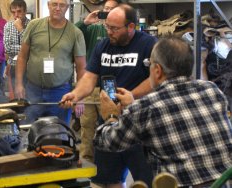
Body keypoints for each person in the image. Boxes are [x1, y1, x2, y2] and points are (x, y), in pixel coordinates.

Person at [94, 36, 232, 188]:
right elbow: (178, 114)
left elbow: (107, 142)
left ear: (158, 71)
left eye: (149, 64)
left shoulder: (146, 107)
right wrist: (135, 107)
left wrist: (111, 116)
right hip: (223, 183)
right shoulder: (212, 90)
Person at [60, 4, 157, 188]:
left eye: (114, 28)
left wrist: (131, 96)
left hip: (139, 128)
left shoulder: (149, 44)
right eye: (107, 27)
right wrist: (75, 94)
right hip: (108, 124)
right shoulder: (103, 45)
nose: (109, 32)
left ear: (131, 27)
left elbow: (156, 78)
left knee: (146, 182)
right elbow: (89, 77)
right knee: (108, 181)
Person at [15, 0, 86, 126]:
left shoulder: (75, 33)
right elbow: (22, 57)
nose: (57, 8)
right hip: (33, 90)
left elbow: (81, 68)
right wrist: (19, 84)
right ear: (48, 5)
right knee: (27, 132)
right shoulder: (34, 25)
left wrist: (79, 97)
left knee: (60, 134)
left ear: (67, 7)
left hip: (61, 93)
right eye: (54, 4)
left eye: (62, 5)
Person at [75, 0, 119, 162]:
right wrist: (85, 22)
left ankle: (107, 161)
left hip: (111, 88)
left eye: (112, 9)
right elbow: (73, 33)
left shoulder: (120, 33)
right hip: (90, 87)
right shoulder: (93, 28)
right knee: (87, 126)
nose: (107, 12)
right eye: (105, 9)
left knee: (111, 125)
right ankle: (86, 160)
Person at [4, 0, 30, 100]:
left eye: (19, 11)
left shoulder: (33, 24)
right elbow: (8, 48)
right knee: (16, 97)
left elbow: (34, 47)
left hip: (30, 66)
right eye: (13, 12)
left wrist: (21, 30)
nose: (16, 15)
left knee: (29, 97)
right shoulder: (8, 25)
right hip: (13, 66)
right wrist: (25, 48)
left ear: (25, 11)